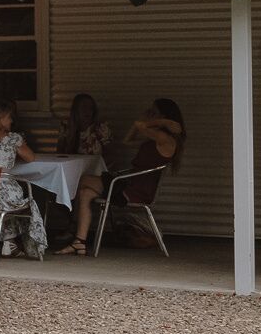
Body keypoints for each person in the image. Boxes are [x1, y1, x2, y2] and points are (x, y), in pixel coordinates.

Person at [0, 97, 48, 259]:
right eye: (9, 117)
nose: (12, 120)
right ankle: (9, 242)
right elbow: (30, 157)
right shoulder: (12, 138)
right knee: (25, 198)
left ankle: (8, 241)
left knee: (0, 203)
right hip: (2, 192)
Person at [106, 99, 185, 248]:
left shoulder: (165, 138)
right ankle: (81, 238)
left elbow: (175, 127)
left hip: (138, 189)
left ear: (163, 115)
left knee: (87, 185)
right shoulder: (154, 139)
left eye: (154, 112)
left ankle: (79, 237)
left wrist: (146, 122)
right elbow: (127, 141)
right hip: (132, 184)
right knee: (87, 187)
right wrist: (140, 123)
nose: (150, 114)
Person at [55, 93, 116, 254]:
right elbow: (59, 152)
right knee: (57, 189)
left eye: (90, 107)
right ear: (75, 110)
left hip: (96, 172)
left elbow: (111, 153)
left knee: (75, 185)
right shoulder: (67, 126)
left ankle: (74, 229)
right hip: (71, 170)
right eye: (83, 107)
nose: (87, 111)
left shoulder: (100, 127)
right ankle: (77, 236)